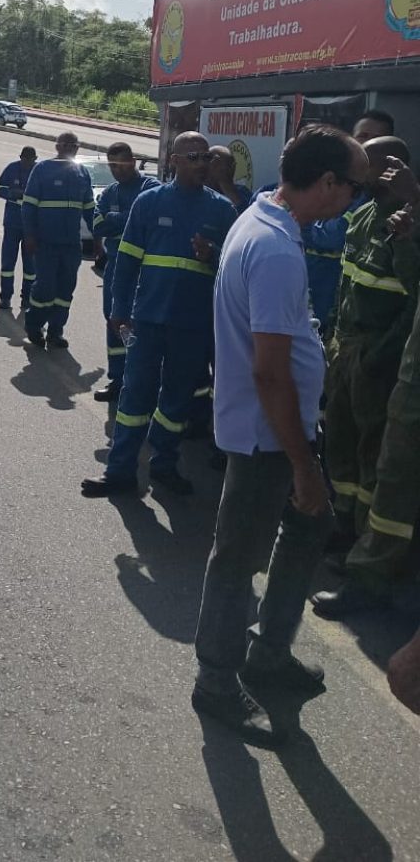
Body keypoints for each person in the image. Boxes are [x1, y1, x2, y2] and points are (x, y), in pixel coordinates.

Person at [191, 127, 367, 745]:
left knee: (308, 528)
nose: (354, 198)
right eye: (353, 186)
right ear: (327, 184)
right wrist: (303, 464)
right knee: (238, 555)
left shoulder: (265, 217)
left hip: (281, 426)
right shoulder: (275, 250)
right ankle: (216, 679)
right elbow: (268, 371)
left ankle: (268, 652)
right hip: (267, 435)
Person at [82, 132, 237, 498]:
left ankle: (164, 466)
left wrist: (212, 254)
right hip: (147, 320)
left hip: (193, 325)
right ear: (174, 160)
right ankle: (120, 472)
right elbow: (127, 262)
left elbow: (233, 271)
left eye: (206, 158)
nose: (202, 164)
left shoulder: (221, 210)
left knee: (177, 401)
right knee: (135, 397)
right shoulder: (149, 203)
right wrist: (119, 311)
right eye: (194, 157)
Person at [312, 161, 420, 617]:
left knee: (391, 474)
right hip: (352, 348)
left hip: (384, 358)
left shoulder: (406, 221)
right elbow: (347, 282)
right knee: (345, 445)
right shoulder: (361, 216)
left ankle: (371, 574)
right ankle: (350, 533)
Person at [302, 110, 395, 334]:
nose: (367, 144)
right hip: (309, 297)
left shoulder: (367, 196)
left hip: (337, 308)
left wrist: (307, 221)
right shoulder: (332, 179)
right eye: (362, 136)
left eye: (375, 137)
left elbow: (332, 237)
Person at [92, 144, 161, 403]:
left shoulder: (150, 188)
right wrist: (122, 218)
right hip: (114, 266)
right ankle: (117, 380)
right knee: (114, 322)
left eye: (120, 165)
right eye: (111, 166)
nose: (116, 171)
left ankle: (142, 384)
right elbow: (98, 223)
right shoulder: (110, 192)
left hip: (143, 270)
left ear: (132, 161)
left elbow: (144, 222)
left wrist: (116, 218)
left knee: (141, 325)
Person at [22, 132, 94, 349]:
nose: (70, 148)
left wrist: (97, 236)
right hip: (45, 243)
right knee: (45, 288)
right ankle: (33, 324)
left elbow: (90, 209)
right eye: (65, 144)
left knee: (65, 291)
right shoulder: (42, 169)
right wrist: (30, 235)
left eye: (74, 144)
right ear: (57, 146)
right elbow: (28, 205)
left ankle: (55, 332)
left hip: (71, 245)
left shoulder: (81, 172)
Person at [0, 146, 37, 311]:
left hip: (31, 227)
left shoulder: (38, 171)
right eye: (25, 159)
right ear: (20, 157)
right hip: (12, 223)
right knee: (7, 263)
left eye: (30, 160)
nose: (27, 162)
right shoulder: (12, 168)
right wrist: (13, 193)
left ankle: (27, 298)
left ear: (35, 159)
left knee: (30, 267)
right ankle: (5, 297)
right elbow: (0, 188)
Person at [207, 146, 252, 213]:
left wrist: (226, 185)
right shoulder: (198, 191)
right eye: (215, 164)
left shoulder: (243, 192)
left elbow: (246, 216)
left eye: (232, 165)